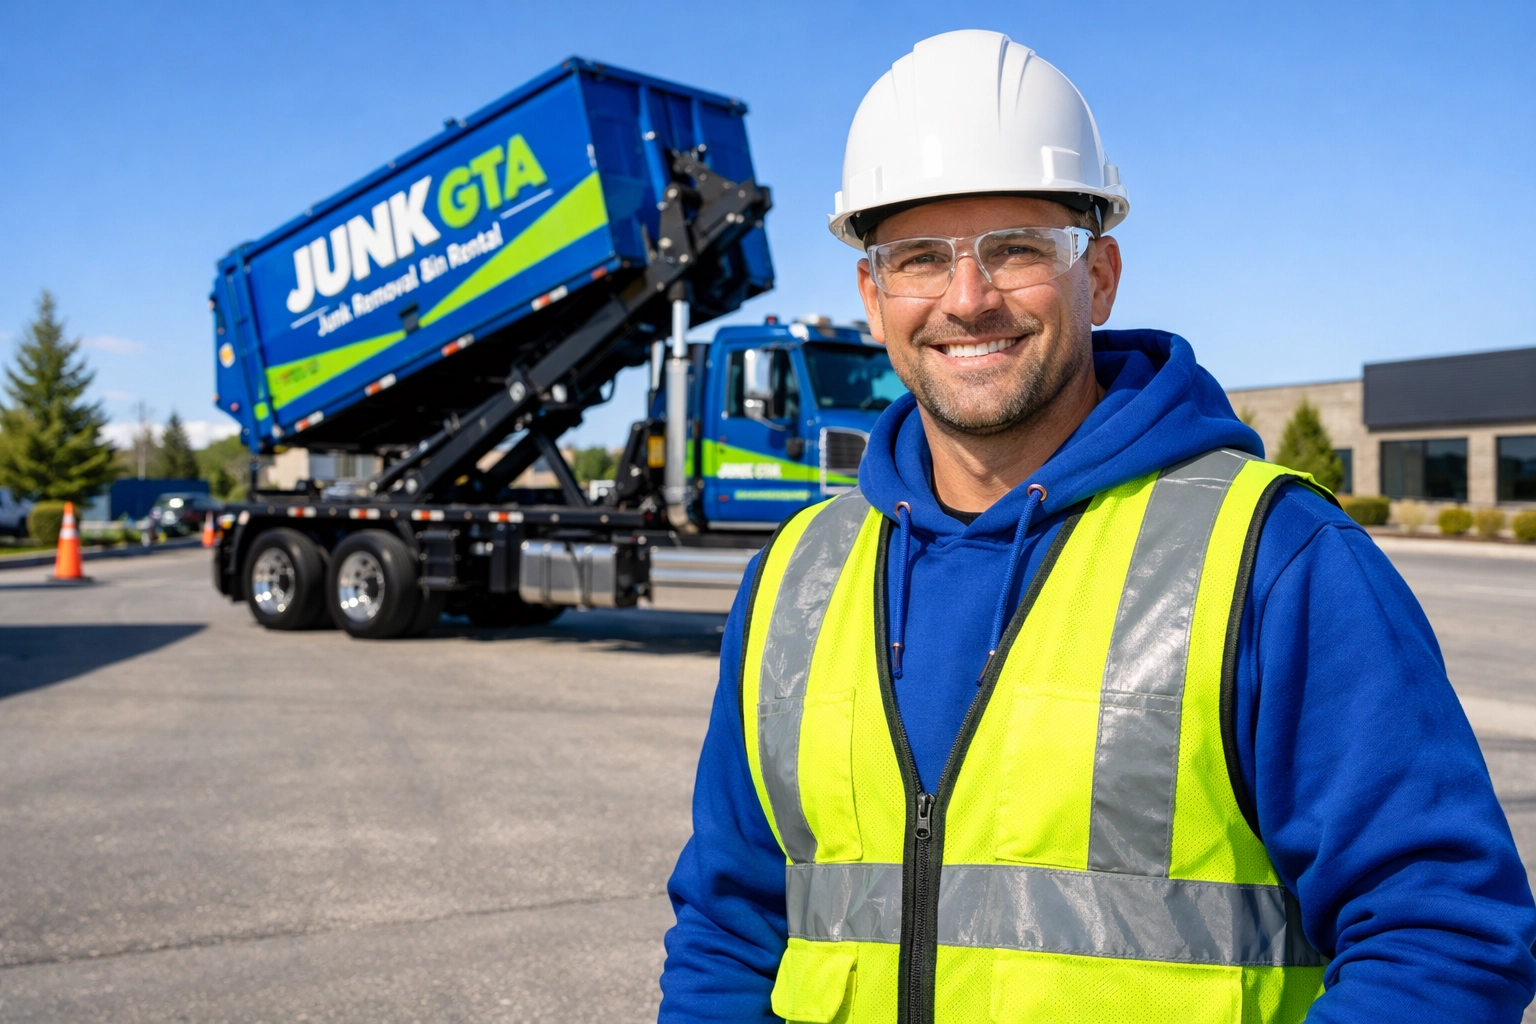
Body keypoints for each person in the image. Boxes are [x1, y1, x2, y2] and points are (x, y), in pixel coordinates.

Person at [658, 29, 1536, 1023]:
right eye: (917, 259)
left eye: (1017, 249)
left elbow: (1444, 934)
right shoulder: (797, 577)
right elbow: (729, 933)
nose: (967, 297)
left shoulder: (1273, 558)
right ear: (872, 295)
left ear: (1101, 275)